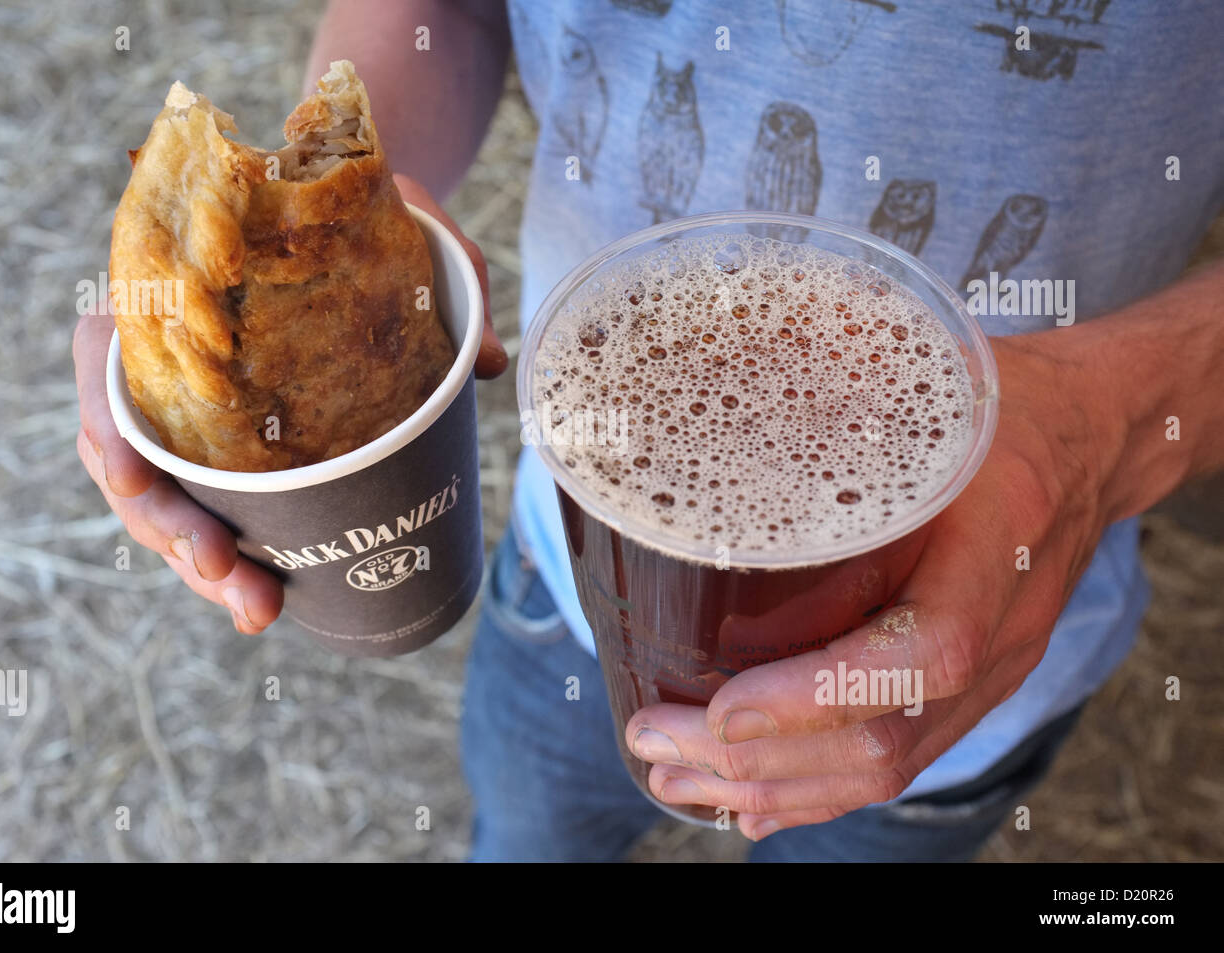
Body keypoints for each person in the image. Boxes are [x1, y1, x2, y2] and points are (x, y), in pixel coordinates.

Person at [73, 0, 1224, 861]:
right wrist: (329, 250)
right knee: (530, 834)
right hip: (570, 568)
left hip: (968, 666)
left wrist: (1100, 423)